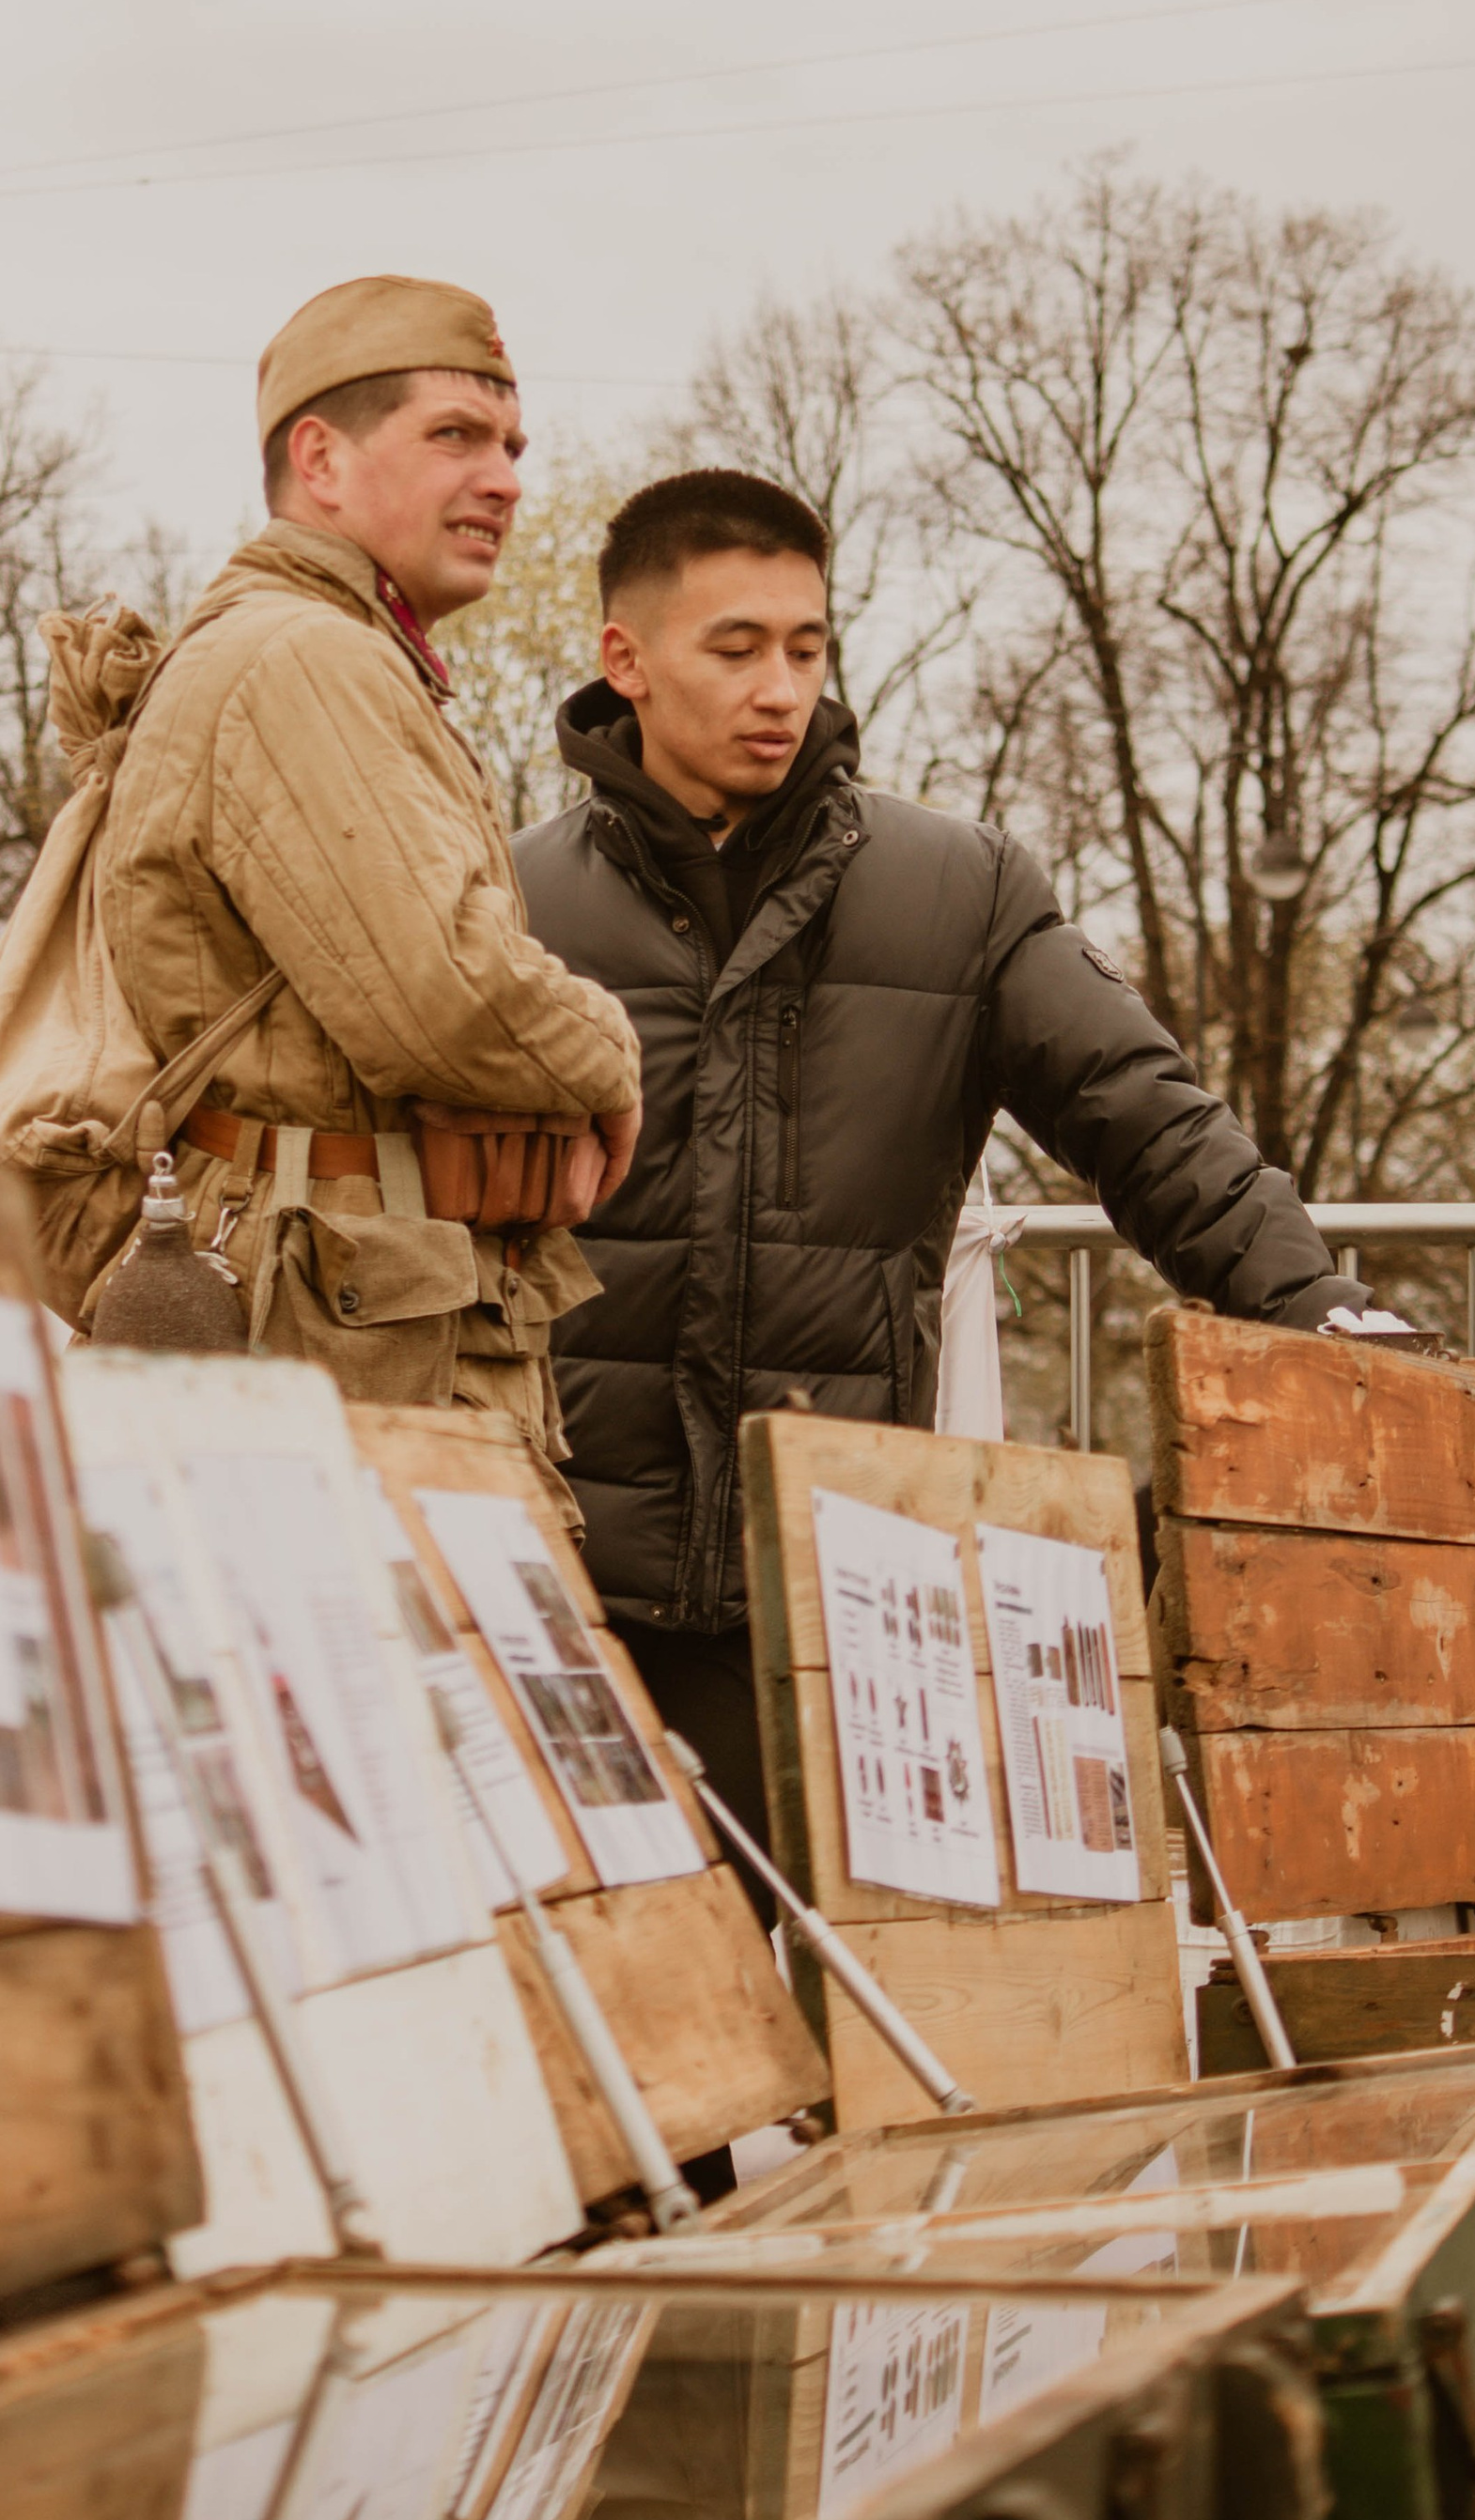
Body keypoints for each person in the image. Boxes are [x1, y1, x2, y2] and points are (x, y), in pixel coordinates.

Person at [511, 466, 1370, 1870]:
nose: (779, 686)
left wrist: (1314, 1303)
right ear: (627, 659)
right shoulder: (513, 903)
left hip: (834, 1579)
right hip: (565, 1567)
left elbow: (1143, 1113)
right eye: (734, 648)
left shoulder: (958, 892)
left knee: (835, 2024)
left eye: (806, 645)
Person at [89, 274, 641, 1463]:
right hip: (336, 1347)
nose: (504, 478)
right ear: (321, 461)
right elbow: (444, 997)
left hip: (353, 1320)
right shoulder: (304, 658)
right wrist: (608, 1055)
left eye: (511, 445)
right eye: (455, 436)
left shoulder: (332, 653)